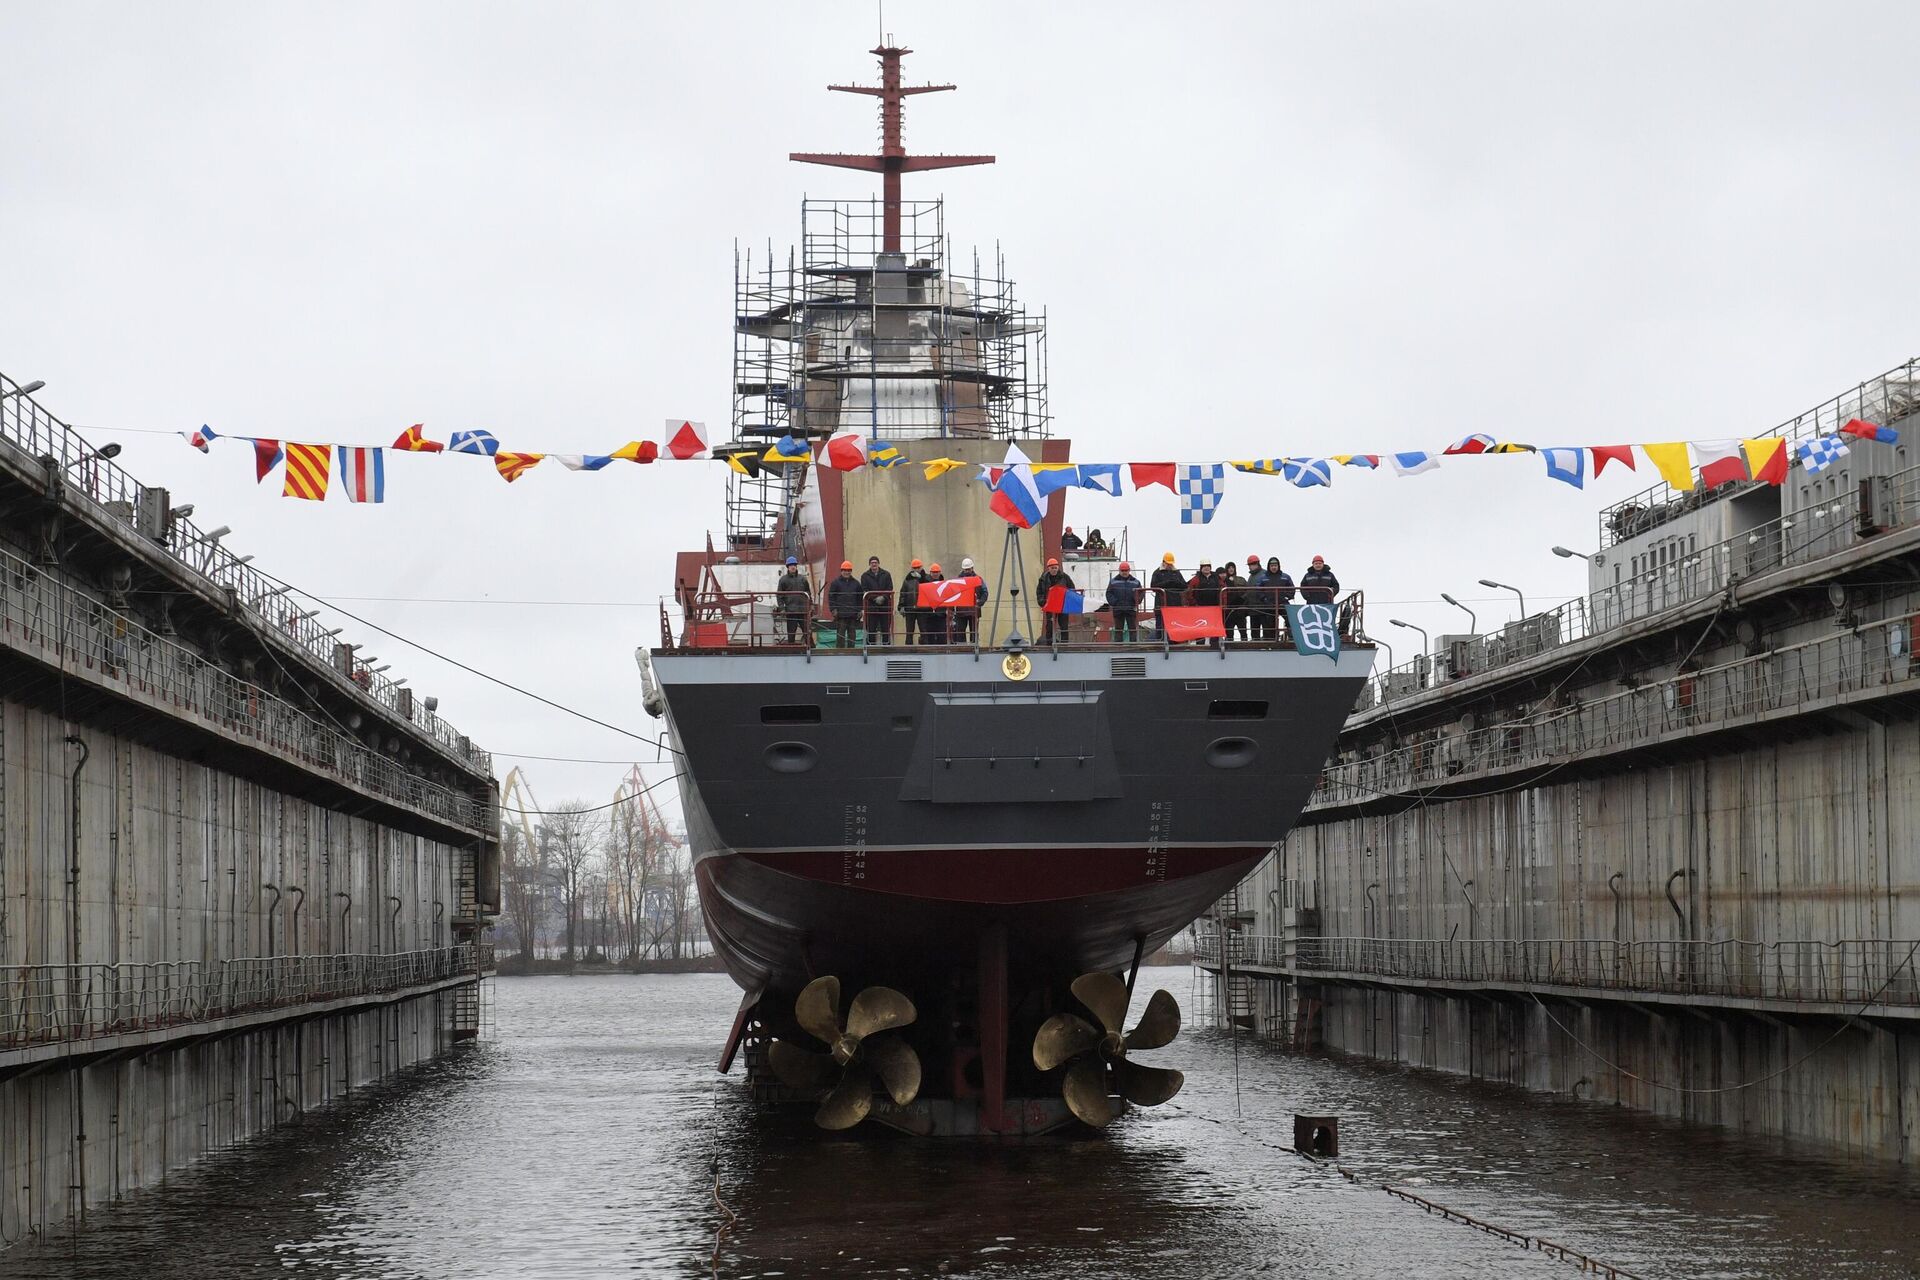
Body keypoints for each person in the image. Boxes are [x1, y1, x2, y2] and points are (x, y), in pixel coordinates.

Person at [1036, 558, 1077, 643]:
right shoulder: (1043, 579)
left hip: (1062, 605)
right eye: (1052, 568)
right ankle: (1049, 642)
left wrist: (1067, 601)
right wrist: (1042, 602)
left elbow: (1072, 589)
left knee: (1064, 625)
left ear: (1058, 568)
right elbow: (1039, 591)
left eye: (1055, 568)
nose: (1054, 570)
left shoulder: (1065, 577)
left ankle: (1065, 644)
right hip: (1050, 605)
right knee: (1049, 625)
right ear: (1048, 568)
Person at [1254, 556, 1294, 639]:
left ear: (1278, 566)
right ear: (1269, 567)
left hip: (1283, 603)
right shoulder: (1263, 577)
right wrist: (1264, 599)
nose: (1274, 567)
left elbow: (1292, 588)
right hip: (1269, 604)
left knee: (1290, 619)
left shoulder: (1285, 577)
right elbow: (1258, 590)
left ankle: (1291, 638)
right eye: (1272, 566)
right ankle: (1270, 642)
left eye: (1275, 565)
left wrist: (1287, 597)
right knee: (1269, 624)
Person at [775, 556, 811, 645]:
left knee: (806, 631)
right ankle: (792, 649)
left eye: (794, 565)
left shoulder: (802, 579)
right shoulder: (783, 580)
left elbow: (808, 593)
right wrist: (782, 608)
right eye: (791, 565)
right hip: (791, 611)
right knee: (791, 632)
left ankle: (811, 648)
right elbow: (779, 595)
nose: (793, 566)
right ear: (787, 567)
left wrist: (811, 605)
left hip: (803, 611)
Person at [827, 560, 864, 648]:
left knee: (852, 635)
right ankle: (840, 653)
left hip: (852, 615)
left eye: (848, 570)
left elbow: (860, 598)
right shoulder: (835, 583)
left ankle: (852, 652)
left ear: (851, 571)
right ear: (841, 571)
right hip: (841, 615)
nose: (847, 572)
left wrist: (860, 610)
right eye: (845, 570)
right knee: (840, 635)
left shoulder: (856, 584)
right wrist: (833, 609)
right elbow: (831, 597)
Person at [1149, 553, 1185, 639]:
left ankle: (1175, 640)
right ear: (1163, 562)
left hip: (1175, 603)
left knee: (1175, 624)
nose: (1169, 565)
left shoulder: (1177, 573)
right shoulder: (1157, 573)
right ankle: (1160, 641)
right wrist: (1167, 583)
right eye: (1168, 563)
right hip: (1161, 603)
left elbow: (1184, 586)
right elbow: (1153, 586)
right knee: (1160, 624)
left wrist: (1177, 584)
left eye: (1171, 563)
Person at [860, 555, 894, 646]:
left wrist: (883, 597)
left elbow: (890, 588)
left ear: (878, 564)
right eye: (872, 563)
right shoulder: (865, 576)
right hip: (871, 607)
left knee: (885, 628)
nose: (874, 564)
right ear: (869, 564)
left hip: (885, 606)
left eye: (875, 562)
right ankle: (871, 647)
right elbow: (865, 590)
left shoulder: (886, 574)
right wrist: (875, 599)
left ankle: (886, 646)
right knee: (871, 628)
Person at [1106, 561, 1142, 643]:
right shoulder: (1113, 581)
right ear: (1119, 570)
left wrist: (1137, 601)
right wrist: (1114, 603)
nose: (1124, 572)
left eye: (1126, 570)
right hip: (1118, 609)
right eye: (1123, 571)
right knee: (1118, 630)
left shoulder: (1136, 582)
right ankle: (1118, 646)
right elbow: (1109, 593)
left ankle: (1134, 646)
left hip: (1131, 608)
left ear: (1129, 570)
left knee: (1132, 629)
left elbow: (1141, 593)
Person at [954, 557, 987, 645]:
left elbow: (985, 592)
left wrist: (980, 602)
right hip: (962, 611)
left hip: (973, 610)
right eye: (966, 569)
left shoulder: (978, 579)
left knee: (974, 631)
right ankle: (962, 647)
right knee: (960, 631)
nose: (967, 571)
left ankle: (974, 646)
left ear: (972, 568)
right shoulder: (958, 580)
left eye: (968, 569)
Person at [898, 558, 928, 645]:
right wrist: (901, 606)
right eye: (915, 568)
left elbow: (929, 590)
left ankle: (925, 648)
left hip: (922, 609)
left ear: (921, 567)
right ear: (912, 569)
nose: (917, 569)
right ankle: (908, 648)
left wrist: (921, 578)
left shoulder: (925, 578)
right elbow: (903, 593)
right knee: (909, 630)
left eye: (918, 567)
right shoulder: (907, 580)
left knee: (923, 630)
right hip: (910, 608)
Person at [921, 564, 948, 644]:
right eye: (933, 572)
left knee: (942, 636)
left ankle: (942, 654)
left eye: (937, 572)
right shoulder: (925, 583)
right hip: (929, 614)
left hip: (941, 614)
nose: (935, 574)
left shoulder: (944, 584)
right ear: (930, 573)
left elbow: (947, 597)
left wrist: (949, 609)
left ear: (940, 572)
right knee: (930, 637)